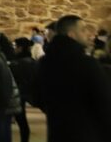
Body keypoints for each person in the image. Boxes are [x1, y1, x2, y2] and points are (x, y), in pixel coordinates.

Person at [36, 14, 111, 142]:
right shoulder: (87, 63)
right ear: (71, 35)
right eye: (83, 29)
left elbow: (37, 95)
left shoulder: (44, 62)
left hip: (58, 132)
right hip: (88, 133)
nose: (88, 33)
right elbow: (104, 102)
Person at [8, 37, 37, 142]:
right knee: (22, 122)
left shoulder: (16, 63)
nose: (14, 49)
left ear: (20, 48)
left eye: (15, 46)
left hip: (18, 94)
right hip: (29, 93)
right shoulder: (33, 61)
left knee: (21, 122)